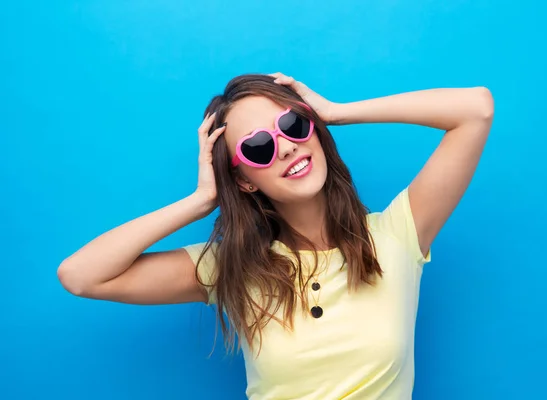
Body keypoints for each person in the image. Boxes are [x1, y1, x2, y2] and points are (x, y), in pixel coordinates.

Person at [57, 72, 494, 399]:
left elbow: (475, 110)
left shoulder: (398, 235)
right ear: (244, 180)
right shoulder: (230, 267)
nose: (285, 145)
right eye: (258, 147)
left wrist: (337, 112)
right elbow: (81, 275)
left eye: (293, 125)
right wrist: (202, 199)